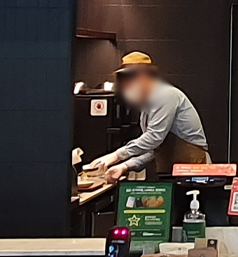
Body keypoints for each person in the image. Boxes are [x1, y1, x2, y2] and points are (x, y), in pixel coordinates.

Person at [83, 52, 210, 181]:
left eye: (130, 78)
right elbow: (153, 149)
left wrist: (116, 155)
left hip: (192, 171)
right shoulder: (147, 106)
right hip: (171, 173)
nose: (125, 84)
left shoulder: (166, 95)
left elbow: (154, 137)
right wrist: (125, 166)